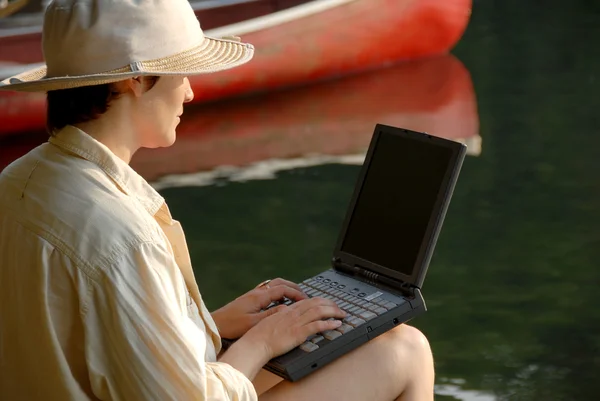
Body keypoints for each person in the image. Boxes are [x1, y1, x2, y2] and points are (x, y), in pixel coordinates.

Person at [0, 0, 435, 400]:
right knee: (405, 353)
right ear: (136, 79)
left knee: (394, 345)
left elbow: (81, 336)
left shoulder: (17, 181)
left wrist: (209, 324)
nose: (189, 92)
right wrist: (263, 342)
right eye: (182, 71)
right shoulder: (122, 235)